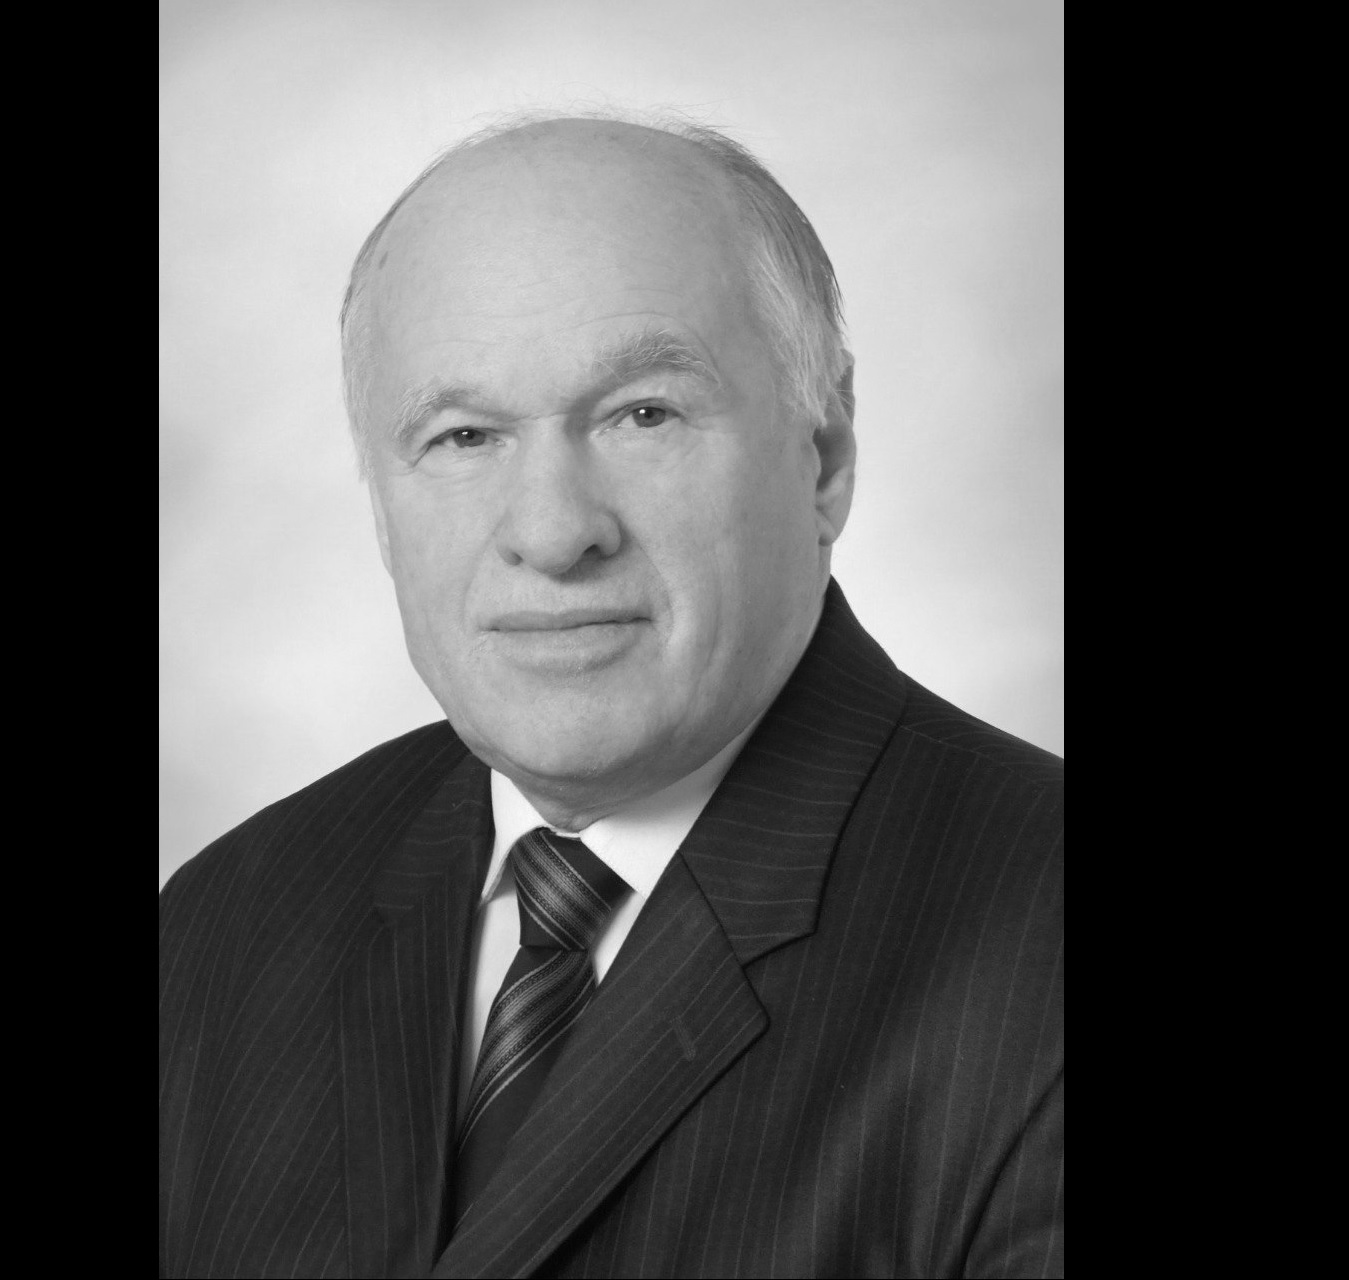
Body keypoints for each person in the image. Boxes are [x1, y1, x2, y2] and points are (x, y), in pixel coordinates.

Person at [160, 113, 1062, 1279]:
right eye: (464, 434)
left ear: (823, 458)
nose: (551, 532)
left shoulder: (1033, 944)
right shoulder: (222, 926)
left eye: (644, 414)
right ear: (381, 501)